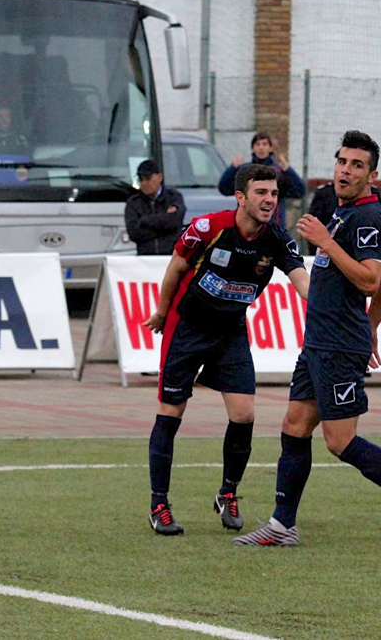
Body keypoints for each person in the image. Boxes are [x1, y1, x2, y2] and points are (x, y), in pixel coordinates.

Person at [233, 130, 381, 553]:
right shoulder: (342, 211)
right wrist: (372, 326)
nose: (345, 171)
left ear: (372, 176)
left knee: (340, 441)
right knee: (294, 426)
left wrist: (326, 243)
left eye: (357, 165)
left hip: (338, 348)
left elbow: (371, 279)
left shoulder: (368, 217)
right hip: (319, 342)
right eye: (342, 161)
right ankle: (283, 524)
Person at [142, 164, 310, 536]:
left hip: (230, 331)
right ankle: (159, 505)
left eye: (274, 194)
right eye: (261, 193)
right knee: (171, 412)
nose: (269, 200)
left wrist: (329, 306)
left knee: (244, 413)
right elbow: (175, 268)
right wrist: (162, 313)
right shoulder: (209, 228)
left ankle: (227, 493)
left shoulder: (277, 239)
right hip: (187, 327)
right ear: (240, 197)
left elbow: (302, 281)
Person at [218, 132, 305, 227]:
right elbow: (224, 189)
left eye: (264, 144)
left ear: (270, 148)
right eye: (258, 144)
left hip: (273, 225)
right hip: (247, 225)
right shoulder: (245, 170)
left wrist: (288, 170)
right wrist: (232, 169)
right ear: (253, 148)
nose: (261, 147)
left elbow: (299, 191)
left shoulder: (279, 172)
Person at [125, 160, 186, 256]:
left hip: (171, 256)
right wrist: (166, 229)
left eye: (148, 178)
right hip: (145, 258)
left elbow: (175, 221)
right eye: (141, 180)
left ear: (160, 177)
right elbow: (134, 233)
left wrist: (145, 220)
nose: (144, 183)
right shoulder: (133, 203)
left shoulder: (173, 197)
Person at [306, 181, 381, 254]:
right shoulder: (324, 193)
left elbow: (378, 231)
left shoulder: (372, 195)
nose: (345, 173)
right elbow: (314, 228)